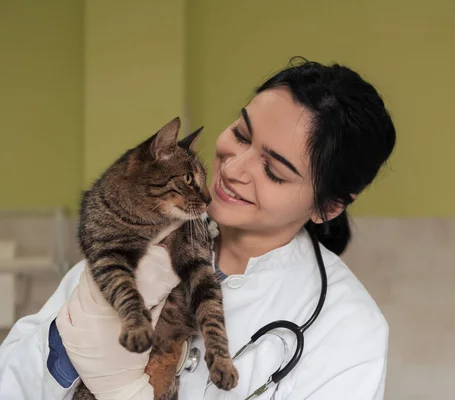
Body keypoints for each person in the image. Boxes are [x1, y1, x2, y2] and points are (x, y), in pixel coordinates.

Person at [0, 57, 396, 399]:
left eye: (274, 171)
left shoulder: (349, 332)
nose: (234, 168)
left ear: (328, 206)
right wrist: (65, 350)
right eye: (240, 135)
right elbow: (11, 383)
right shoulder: (146, 233)